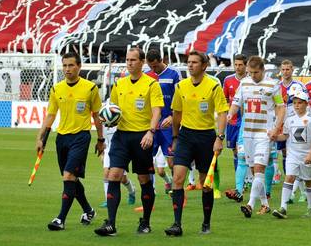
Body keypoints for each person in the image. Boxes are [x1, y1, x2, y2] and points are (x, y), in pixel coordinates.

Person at [95, 48, 164, 236]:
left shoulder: (152, 84)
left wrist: (151, 132)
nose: (129, 63)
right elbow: (113, 108)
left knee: (144, 180)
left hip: (142, 137)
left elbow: (157, 110)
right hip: (121, 137)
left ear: (142, 62)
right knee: (113, 175)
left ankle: (146, 222)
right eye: (127, 60)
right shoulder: (120, 84)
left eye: (133, 60)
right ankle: (110, 223)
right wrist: (106, 117)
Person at [164, 51, 229, 236]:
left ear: (204, 66)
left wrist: (220, 137)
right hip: (185, 136)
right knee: (178, 178)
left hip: (206, 137)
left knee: (205, 183)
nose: (190, 65)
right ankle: (177, 224)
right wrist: (175, 138)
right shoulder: (181, 86)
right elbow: (176, 114)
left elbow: (223, 113)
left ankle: (206, 223)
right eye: (188, 62)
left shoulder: (213, 86)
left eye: (194, 62)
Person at [38, 52, 104, 231]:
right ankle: (88, 210)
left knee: (68, 176)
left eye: (71, 65)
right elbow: (51, 115)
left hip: (81, 137)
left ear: (79, 66)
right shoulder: (56, 89)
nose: (67, 69)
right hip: (62, 139)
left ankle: (60, 219)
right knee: (70, 179)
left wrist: (100, 139)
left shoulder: (90, 88)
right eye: (65, 65)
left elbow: (97, 116)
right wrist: (41, 137)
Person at [230, 56, 285, 217]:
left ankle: (249, 205)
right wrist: (230, 114)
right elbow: (236, 102)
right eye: (250, 72)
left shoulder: (273, 85)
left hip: (264, 133)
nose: (252, 75)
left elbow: (281, 108)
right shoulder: (244, 83)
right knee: (255, 171)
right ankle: (265, 204)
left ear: (262, 70)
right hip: (247, 133)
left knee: (260, 168)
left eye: (255, 72)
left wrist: (276, 128)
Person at [272, 90, 311, 219]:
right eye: (294, 103)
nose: (297, 105)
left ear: (306, 104)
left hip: (307, 156)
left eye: (300, 103)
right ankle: (283, 208)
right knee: (289, 177)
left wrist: (310, 155)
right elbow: (286, 136)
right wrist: (276, 137)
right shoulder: (289, 120)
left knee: (309, 182)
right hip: (292, 155)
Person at [146, 49, 181, 195]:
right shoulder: (147, 76)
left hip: (168, 124)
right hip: (151, 123)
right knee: (147, 160)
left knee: (172, 161)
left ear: (161, 60)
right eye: (150, 66)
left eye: (155, 66)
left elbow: (180, 98)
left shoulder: (174, 74)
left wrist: (172, 116)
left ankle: (177, 190)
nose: (153, 69)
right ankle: (150, 192)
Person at [278, 59, 307, 193]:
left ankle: (296, 186)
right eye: (283, 69)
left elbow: (307, 104)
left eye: (287, 69)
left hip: (296, 124)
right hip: (282, 123)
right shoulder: (277, 86)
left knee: (295, 152)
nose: (285, 72)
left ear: (292, 70)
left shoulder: (299, 85)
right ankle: (289, 180)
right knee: (284, 152)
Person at [224, 54, 248, 202]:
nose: (238, 67)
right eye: (236, 64)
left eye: (240, 65)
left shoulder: (249, 80)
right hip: (233, 121)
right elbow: (225, 99)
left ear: (245, 65)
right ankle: (241, 181)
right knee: (235, 150)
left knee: (245, 151)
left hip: (246, 121)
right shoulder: (228, 80)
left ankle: (244, 182)